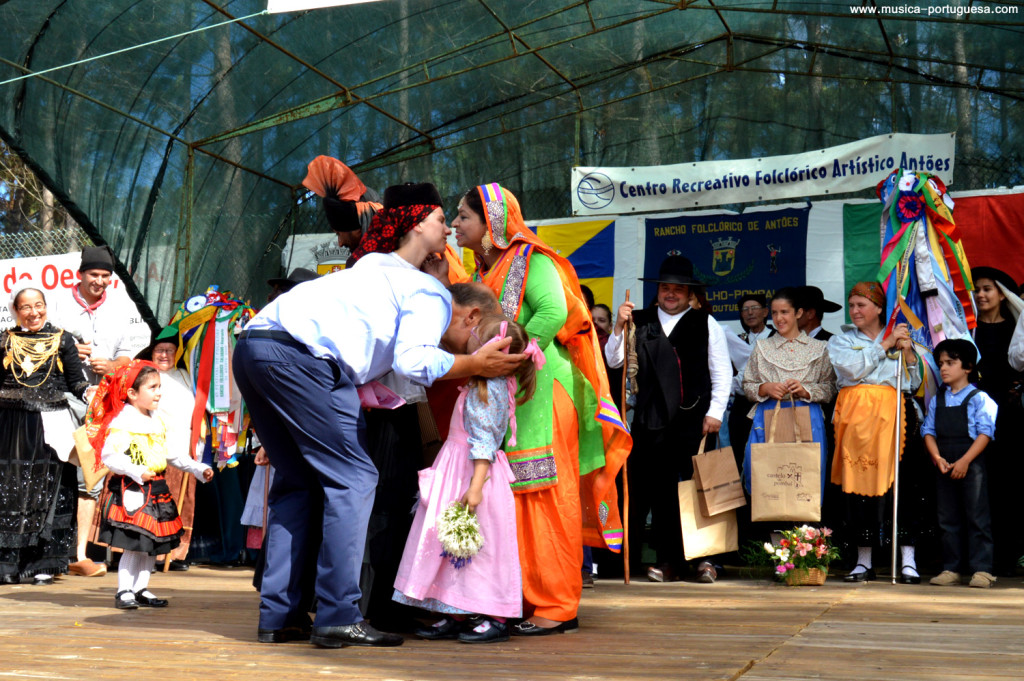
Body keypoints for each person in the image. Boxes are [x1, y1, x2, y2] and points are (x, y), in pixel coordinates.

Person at [232, 181, 525, 649]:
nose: (447, 227)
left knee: (298, 482)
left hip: (253, 345)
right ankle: (337, 614)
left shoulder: (373, 266)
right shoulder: (427, 292)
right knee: (354, 480)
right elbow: (415, 363)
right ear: (414, 224)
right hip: (302, 358)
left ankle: (280, 616)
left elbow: (391, 367)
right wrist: (475, 364)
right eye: (437, 220)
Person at [453, 182, 630, 633]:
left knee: (546, 491)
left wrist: (507, 358)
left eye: (463, 216)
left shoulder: (533, 259)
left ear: (490, 223)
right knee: (513, 495)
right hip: (512, 389)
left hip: (541, 387)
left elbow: (552, 313)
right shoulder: (486, 269)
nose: (456, 223)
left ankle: (556, 605)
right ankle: (522, 596)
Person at [394, 315, 538, 644]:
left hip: (474, 474)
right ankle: (455, 610)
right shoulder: (480, 384)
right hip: (460, 467)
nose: (469, 340)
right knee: (452, 546)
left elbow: (485, 442)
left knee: (478, 548)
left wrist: (474, 489)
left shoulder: (488, 389)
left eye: (475, 338)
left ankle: (494, 616)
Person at [607, 255, 731, 584]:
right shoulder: (638, 320)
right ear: (658, 291)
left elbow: (722, 372)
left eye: (678, 289)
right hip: (651, 421)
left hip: (696, 421)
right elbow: (614, 361)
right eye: (665, 288)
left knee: (703, 491)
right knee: (661, 496)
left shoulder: (707, 323)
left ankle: (707, 560)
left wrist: (716, 412)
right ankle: (669, 561)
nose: (671, 294)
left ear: (690, 293)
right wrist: (619, 327)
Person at [87, 361, 214, 608]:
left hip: (155, 489)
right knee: (134, 544)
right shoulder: (122, 421)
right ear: (132, 393)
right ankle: (124, 589)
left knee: (151, 545)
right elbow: (110, 456)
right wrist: (136, 471)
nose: (159, 392)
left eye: (159, 387)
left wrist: (198, 468)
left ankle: (141, 588)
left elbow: (172, 453)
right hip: (131, 490)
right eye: (153, 387)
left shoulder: (157, 420)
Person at [49, 245, 134, 578]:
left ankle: (80, 555)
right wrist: (67, 350)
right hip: (58, 398)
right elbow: (39, 342)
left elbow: (127, 355)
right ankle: (49, 553)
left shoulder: (117, 309)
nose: (99, 281)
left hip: (99, 402)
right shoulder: (56, 305)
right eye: (94, 275)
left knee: (90, 477)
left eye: (105, 276)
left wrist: (111, 364)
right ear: (80, 274)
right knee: (54, 472)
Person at [827, 282, 921, 583]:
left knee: (903, 486)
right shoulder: (841, 341)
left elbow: (914, 381)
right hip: (856, 421)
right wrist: (884, 346)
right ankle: (863, 561)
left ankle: (908, 560)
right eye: (852, 305)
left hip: (894, 417)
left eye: (861, 305)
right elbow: (850, 370)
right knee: (858, 488)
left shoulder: (901, 335)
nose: (854, 311)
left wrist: (907, 353)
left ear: (879, 308)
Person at [0, 285, 91, 585]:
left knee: (51, 488)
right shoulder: (5, 340)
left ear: (46, 306)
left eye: (38, 305)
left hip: (51, 422)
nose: (33, 312)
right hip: (12, 424)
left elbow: (76, 382)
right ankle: (9, 566)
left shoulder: (63, 339)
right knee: (13, 491)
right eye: (25, 307)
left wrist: (94, 395)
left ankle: (44, 564)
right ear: (16, 311)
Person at [741, 287, 836, 506]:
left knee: (805, 478)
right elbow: (748, 385)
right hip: (768, 416)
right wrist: (766, 388)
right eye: (774, 313)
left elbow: (830, 388)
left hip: (807, 416)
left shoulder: (819, 348)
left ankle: (804, 538)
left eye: (784, 312)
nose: (778, 318)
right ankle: (771, 537)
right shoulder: (762, 347)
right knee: (768, 478)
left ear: (798, 313)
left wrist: (806, 390)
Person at [922, 339, 999, 588]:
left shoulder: (980, 398)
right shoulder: (938, 399)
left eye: (950, 363)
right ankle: (951, 568)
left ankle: (982, 569)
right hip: (944, 462)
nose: (943, 368)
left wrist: (965, 461)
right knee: (947, 517)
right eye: (941, 363)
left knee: (977, 515)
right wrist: (937, 458)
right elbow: (929, 431)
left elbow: (985, 434)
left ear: (967, 367)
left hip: (971, 461)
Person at [970, 266, 1024, 576]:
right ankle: (978, 558)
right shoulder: (967, 328)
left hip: (1009, 418)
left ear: (1002, 294)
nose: (980, 294)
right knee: (978, 486)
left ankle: (1008, 555)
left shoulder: (1018, 329)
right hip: (971, 420)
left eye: (987, 288)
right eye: (976, 289)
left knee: (1008, 483)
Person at [143, 327, 199, 570]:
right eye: (159, 351)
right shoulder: (144, 374)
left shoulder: (187, 376)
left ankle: (173, 554)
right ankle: (146, 554)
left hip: (182, 448)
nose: (164, 355)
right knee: (152, 501)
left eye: (169, 351)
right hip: (151, 448)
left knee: (178, 501)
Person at [728, 293, 777, 471]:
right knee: (738, 453)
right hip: (742, 405)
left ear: (765, 312)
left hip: (768, 404)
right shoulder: (736, 340)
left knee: (766, 458)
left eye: (754, 308)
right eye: (745, 310)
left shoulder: (776, 337)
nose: (749, 313)